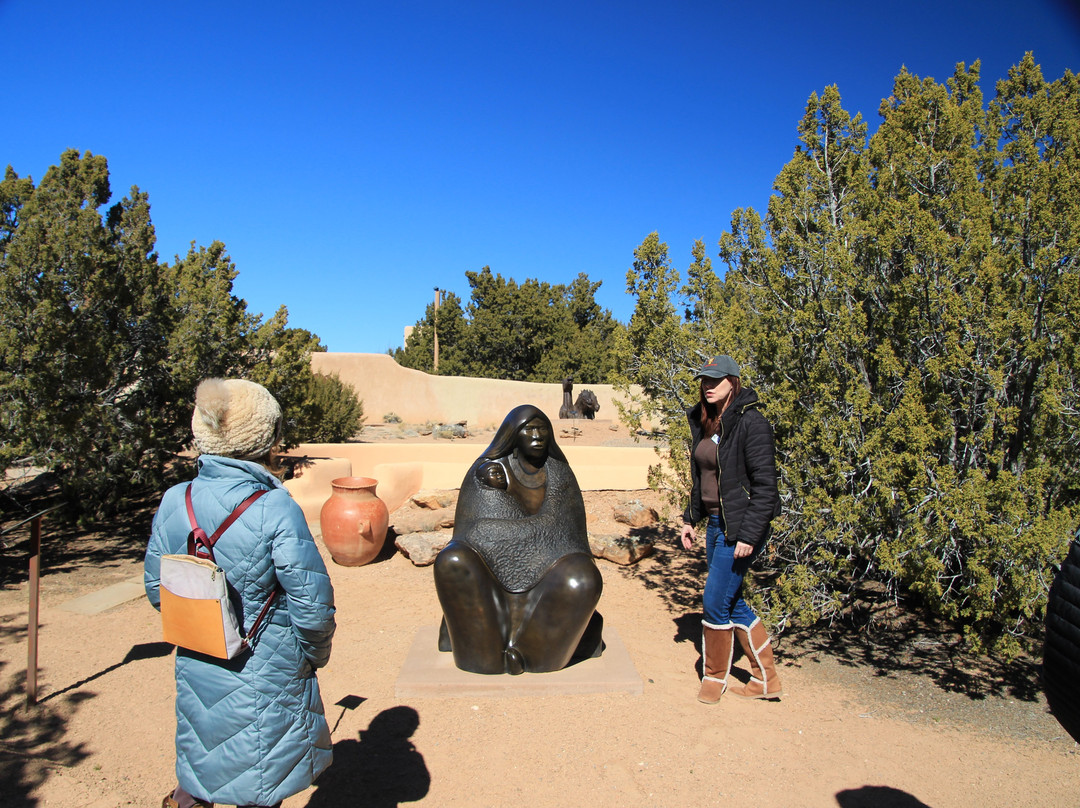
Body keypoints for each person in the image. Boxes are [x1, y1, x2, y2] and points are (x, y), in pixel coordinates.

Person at [144, 379, 337, 808]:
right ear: (265, 434)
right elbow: (312, 606)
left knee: (202, 758)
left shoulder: (177, 499)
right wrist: (312, 656)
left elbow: (158, 589)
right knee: (260, 778)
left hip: (198, 661)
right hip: (267, 669)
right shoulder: (275, 506)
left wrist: (202, 622)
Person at [434, 404, 603, 675]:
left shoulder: (560, 475)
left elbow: (566, 533)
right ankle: (484, 656)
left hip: (551, 566)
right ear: (513, 435)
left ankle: (531, 653)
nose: (537, 436)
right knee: (452, 560)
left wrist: (510, 532)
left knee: (583, 578)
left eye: (543, 429)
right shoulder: (487, 473)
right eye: (529, 429)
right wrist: (534, 530)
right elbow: (472, 532)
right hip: (490, 566)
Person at [679, 355, 782, 704]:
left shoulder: (752, 423)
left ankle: (714, 678)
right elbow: (703, 478)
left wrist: (749, 536)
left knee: (713, 602)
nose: (708, 387)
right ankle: (766, 679)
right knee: (730, 601)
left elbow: (766, 487)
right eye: (705, 381)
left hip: (739, 528)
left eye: (716, 380)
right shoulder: (706, 421)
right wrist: (690, 518)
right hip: (716, 524)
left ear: (733, 382)